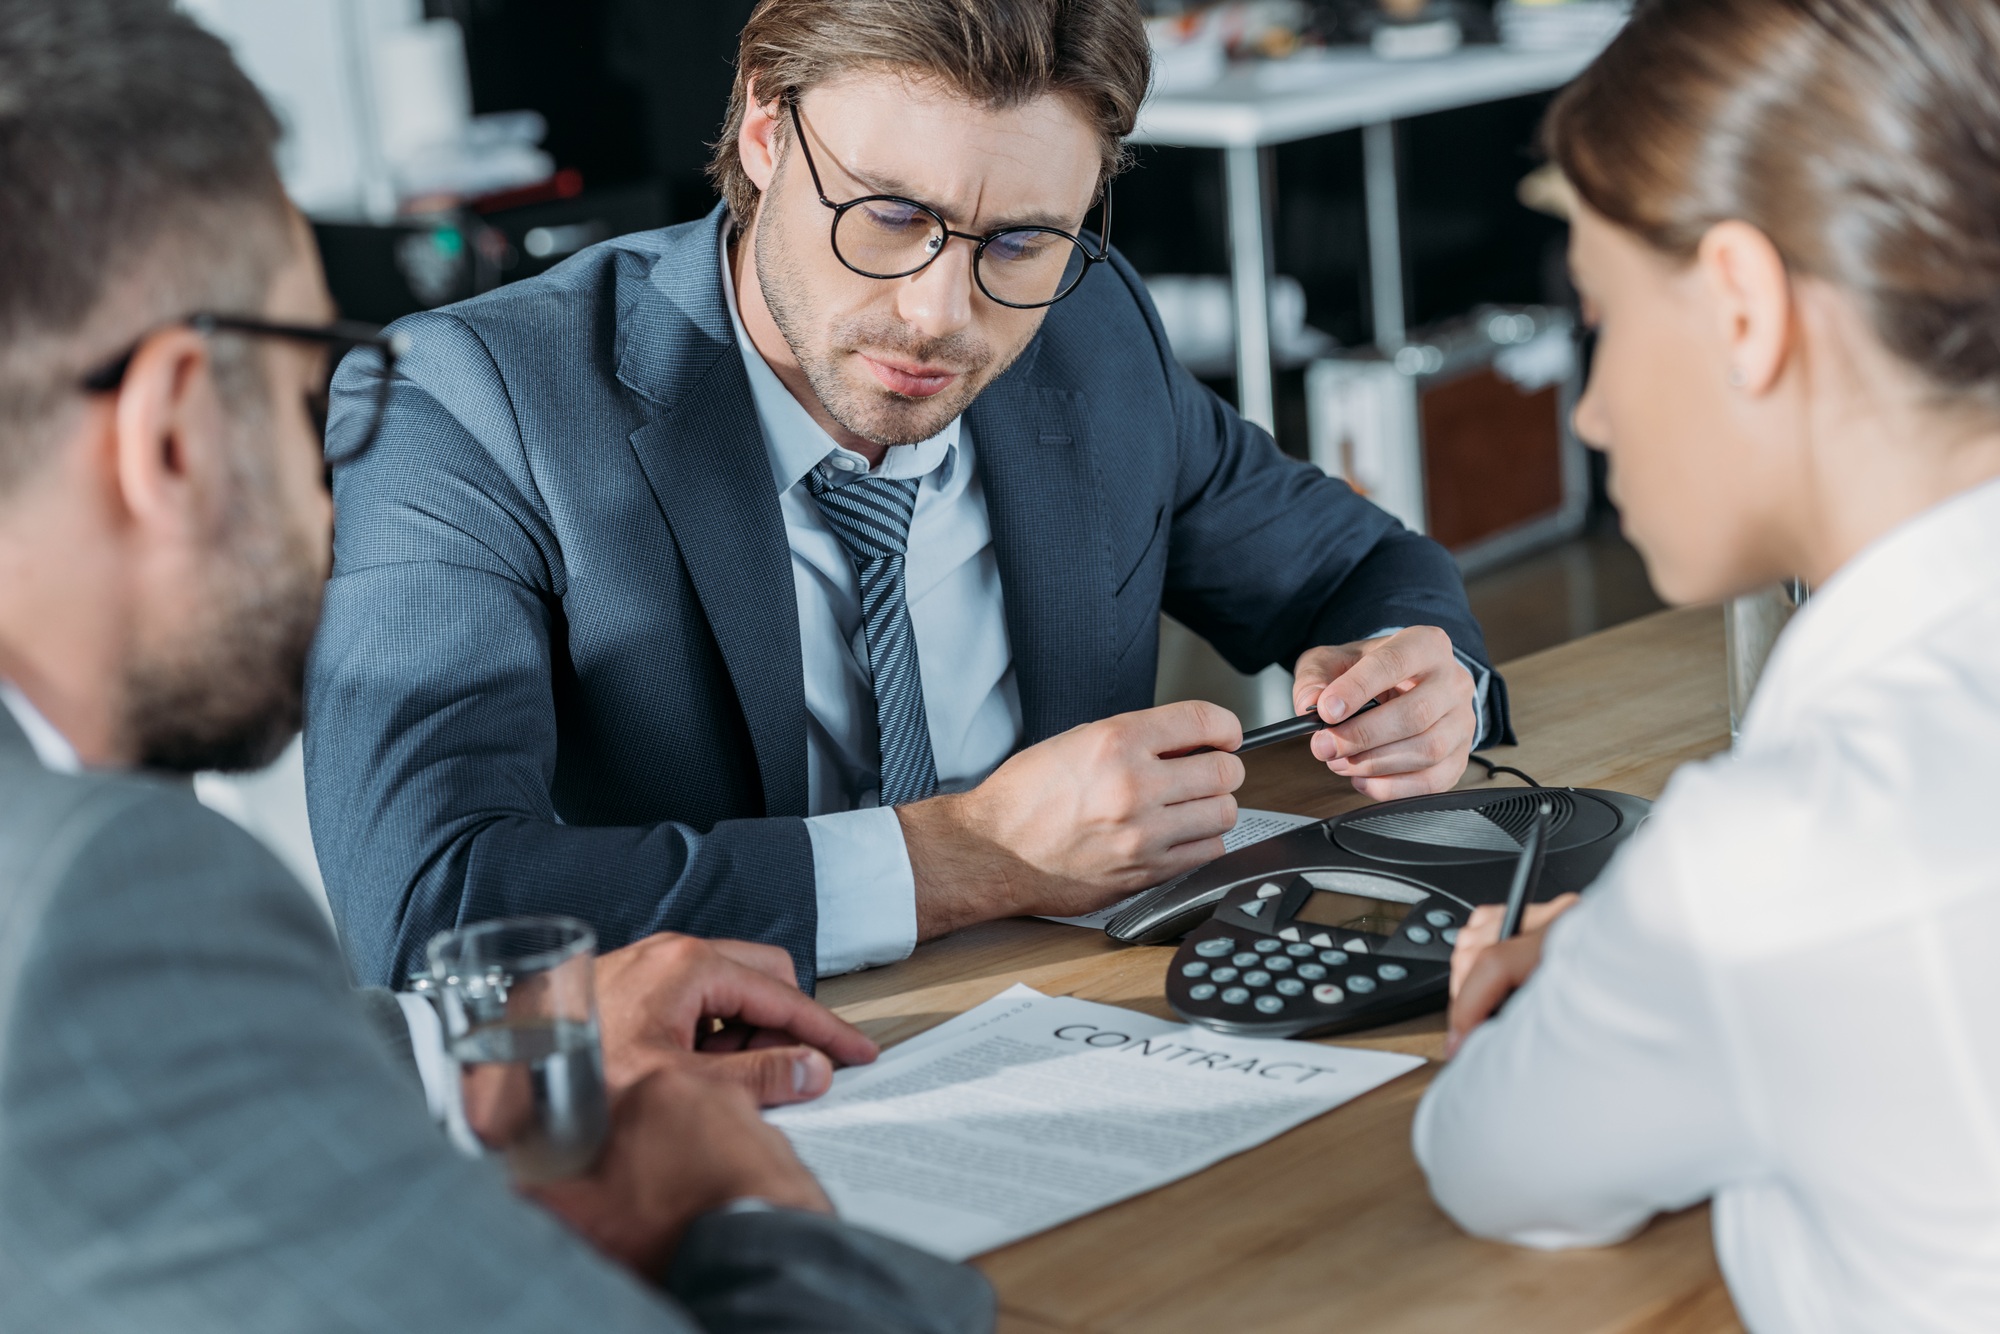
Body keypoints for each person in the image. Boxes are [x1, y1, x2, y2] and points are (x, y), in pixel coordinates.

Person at [0, 4, 992, 1329]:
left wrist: (476, 1052)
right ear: (175, 425)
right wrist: (738, 1211)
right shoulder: (92, 893)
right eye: (314, 388)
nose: (322, 485)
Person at [304, 0, 1513, 992]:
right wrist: (967, 857)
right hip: (705, 1097)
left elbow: (1356, 569)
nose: (942, 316)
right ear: (767, 134)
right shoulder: (471, 400)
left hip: (1090, 1023)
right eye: (888, 216)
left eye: (1021, 241)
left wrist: (1426, 678)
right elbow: (429, 904)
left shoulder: (1087, 325)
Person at [1415, 0, 2000, 1328]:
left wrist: (1585, 995)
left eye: (1604, 317)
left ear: (1743, 304)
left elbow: (1501, 1164)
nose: (1592, 407)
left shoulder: (1784, 850)